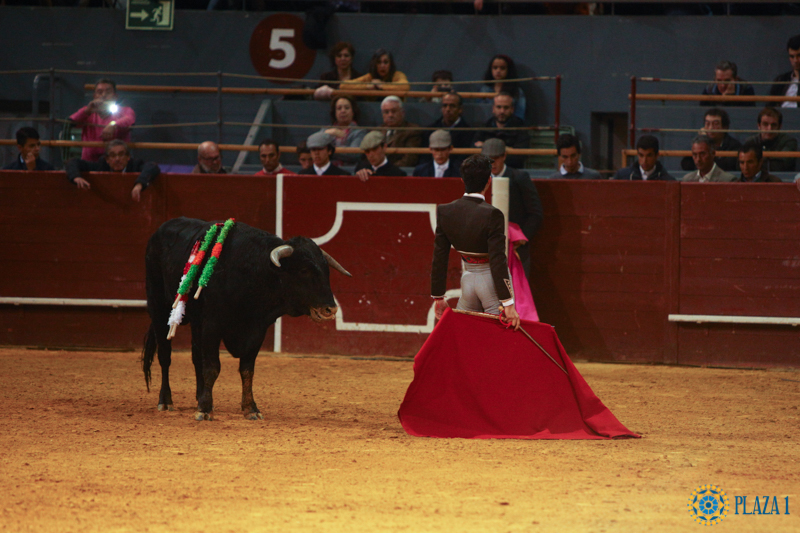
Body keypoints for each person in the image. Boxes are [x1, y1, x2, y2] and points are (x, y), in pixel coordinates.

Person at [430, 154, 520, 329]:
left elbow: (439, 259)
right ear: (489, 181)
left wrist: (438, 297)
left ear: (463, 180)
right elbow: (497, 260)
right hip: (491, 283)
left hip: (468, 280)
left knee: (466, 336)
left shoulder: (445, 211)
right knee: (498, 338)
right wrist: (508, 303)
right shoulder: (492, 214)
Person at [482, 138, 543, 283]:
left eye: (496, 158)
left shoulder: (519, 178)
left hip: (515, 249)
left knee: (516, 293)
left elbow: (535, 213)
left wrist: (520, 239)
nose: (492, 163)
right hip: (486, 247)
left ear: (504, 156)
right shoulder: (480, 179)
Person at [65, 140, 160, 202]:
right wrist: (76, 177)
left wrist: (139, 184)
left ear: (128, 157)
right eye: (113, 155)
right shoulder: (101, 166)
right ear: (107, 159)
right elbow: (72, 162)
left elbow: (152, 166)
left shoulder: (135, 165)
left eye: (121, 154)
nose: (117, 159)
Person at [68, 78, 136, 162]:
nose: (103, 95)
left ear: (115, 96)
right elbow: (70, 122)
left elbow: (130, 120)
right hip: (90, 163)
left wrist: (113, 125)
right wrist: (87, 111)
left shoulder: (125, 110)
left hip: (116, 163)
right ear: (94, 96)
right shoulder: (87, 111)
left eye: (108, 92)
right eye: (99, 92)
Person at [474, 92, 530, 169]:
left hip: (512, 170)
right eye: (499, 107)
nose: (502, 111)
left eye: (506, 107)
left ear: (512, 109)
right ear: (493, 109)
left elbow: (519, 157)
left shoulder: (520, 128)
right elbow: (475, 152)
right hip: (486, 170)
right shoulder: (485, 127)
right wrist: (507, 149)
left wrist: (485, 146)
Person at [680, 108, 741, 172]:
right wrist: (702, 141)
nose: (711, 128)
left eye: (715, 124)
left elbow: (722, 167)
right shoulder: (698, 144)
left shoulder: (734, 146)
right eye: (707, 124)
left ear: (725, 127)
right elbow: (686, 165)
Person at [745, 107, 798, 172]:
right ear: (759, 126)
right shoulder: (750, 142)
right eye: (765, 124)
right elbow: (744, 166)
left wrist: (758, 162)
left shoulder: (789, 141)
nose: (769, 129)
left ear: (779, 126)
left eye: (774, 125)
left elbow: (782, 166)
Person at [341, 49, 410, 94]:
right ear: (375, 64)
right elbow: (343, 85)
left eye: (385, 62)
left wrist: (382, 85)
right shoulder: (370, 77)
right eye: (379, 62)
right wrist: (367, 86)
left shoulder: (397, 75)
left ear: (391, 64)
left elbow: (405, 86)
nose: (382, 66)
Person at [380, 96, 422, 168]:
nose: (390, 115)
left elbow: (409, 159)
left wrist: (388, 169)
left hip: (398, 172)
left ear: (402, 113)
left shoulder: (412, 131)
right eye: (386, 112)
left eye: (394, 111)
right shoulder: (377, 131)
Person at [480, 54, 526, 120]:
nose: (498, 71)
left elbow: (520, 115)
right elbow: (480, 112)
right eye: (495, 68)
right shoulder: (484, 89)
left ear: (508, 70)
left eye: (502, 68)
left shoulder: (517, 91)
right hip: (489, 126)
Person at [323, 95, 366, 166]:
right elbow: (314, 143)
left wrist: (329, 151)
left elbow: (354, 154)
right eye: (339, 108)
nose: (343, 111)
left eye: (347, 108)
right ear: (335, 113)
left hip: (349, 168)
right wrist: (327, 133)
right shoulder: (328, 129)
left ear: (353, 112)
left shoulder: (359, 132)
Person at [769, 34, 800, 108]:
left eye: (799, 56)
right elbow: (770, 106)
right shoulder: (781, 80)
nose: (795, 60)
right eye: (792, 56)